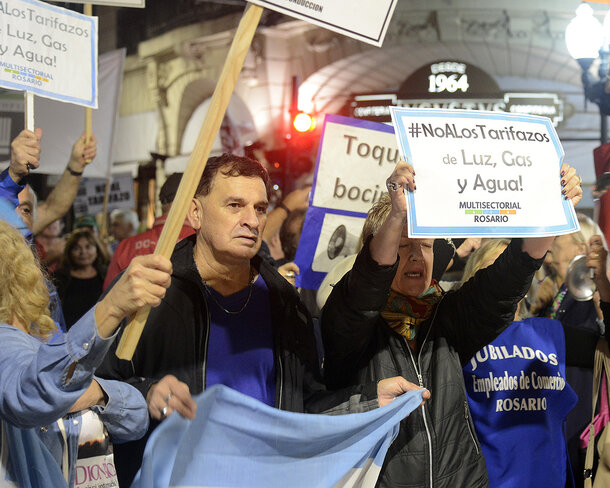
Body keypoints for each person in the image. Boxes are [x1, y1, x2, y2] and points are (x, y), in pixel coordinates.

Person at [97, 154, 425, 487]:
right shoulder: (148, 290)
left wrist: (368, 401)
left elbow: (304, 406)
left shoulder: (285, 303)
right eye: (234, 205)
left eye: (259, 208)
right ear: (195, 212)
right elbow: (89, 385)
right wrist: (147, 393)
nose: (251, 221)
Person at [321, 160, 582, 487]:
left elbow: (507, 280)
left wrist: (552, 210)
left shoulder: (445, 313)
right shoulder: (349, 316)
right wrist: (398, 215)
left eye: (426, 246)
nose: (417, 255)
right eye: (404, 246)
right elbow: (367, 284)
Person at [0, 217, 166, 488]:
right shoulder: (4, 340)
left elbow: (136, 416)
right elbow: (33, 394)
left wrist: (97, 392)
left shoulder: (46, 340)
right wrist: (110, 309)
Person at [461, 238, 610, 488]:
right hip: (487, 480)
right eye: (493, 268)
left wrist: (605, 287)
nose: (503, 277)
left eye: (512, 268)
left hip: (550, 478)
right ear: (474, 278)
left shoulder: (549, 333)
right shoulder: (458, 335)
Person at [103, 172, 195, 290]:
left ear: (162, 202)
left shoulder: (126, 246)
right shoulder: (201, 240)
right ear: (193, 199)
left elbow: (109, 295)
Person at [0, 127, 97, 236]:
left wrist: (76, 165)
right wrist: (14, 173)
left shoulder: (24, 231)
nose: (16, 217)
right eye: (7, 206)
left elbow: (53, 208)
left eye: (25, 210)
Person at [53, 228, 110, 328]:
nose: (83, 252)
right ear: (69, 252)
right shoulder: (60, 278)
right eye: (76, 248)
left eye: (88, 247)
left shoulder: (105, 275)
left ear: (97, 249)